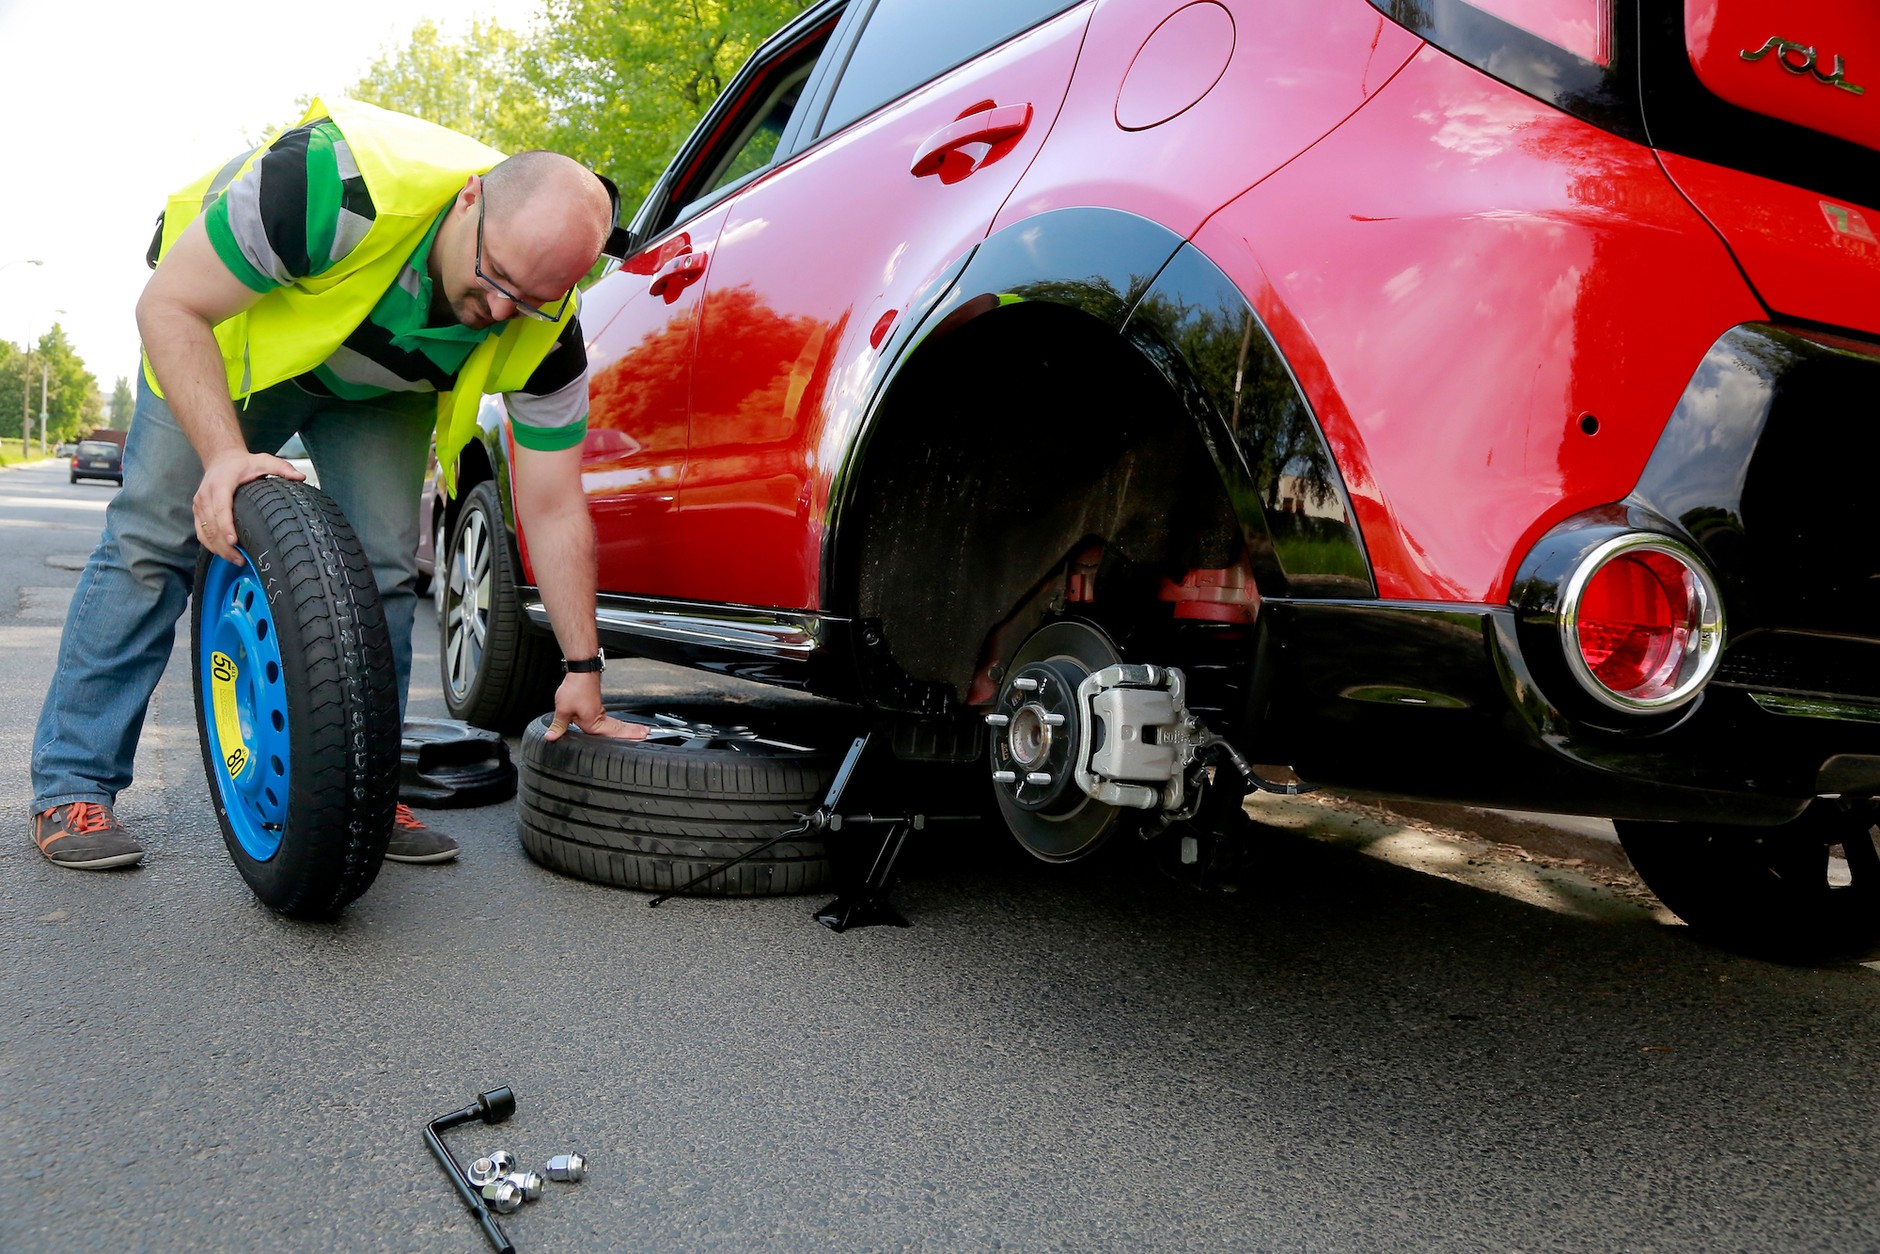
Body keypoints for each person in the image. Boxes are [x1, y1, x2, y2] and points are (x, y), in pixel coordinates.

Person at [29, 97, 644, 872]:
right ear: (468, 200)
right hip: (228, 335)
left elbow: (554, 507)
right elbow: (170, 305)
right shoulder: (334, 183)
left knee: (382, 569)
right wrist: (223, 460)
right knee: (154, 541)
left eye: (528, 302)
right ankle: (72, 784)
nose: (497, 313)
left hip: (375, 386)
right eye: (494, 281)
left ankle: (362, 790)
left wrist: (583, 670)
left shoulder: (548, 327)